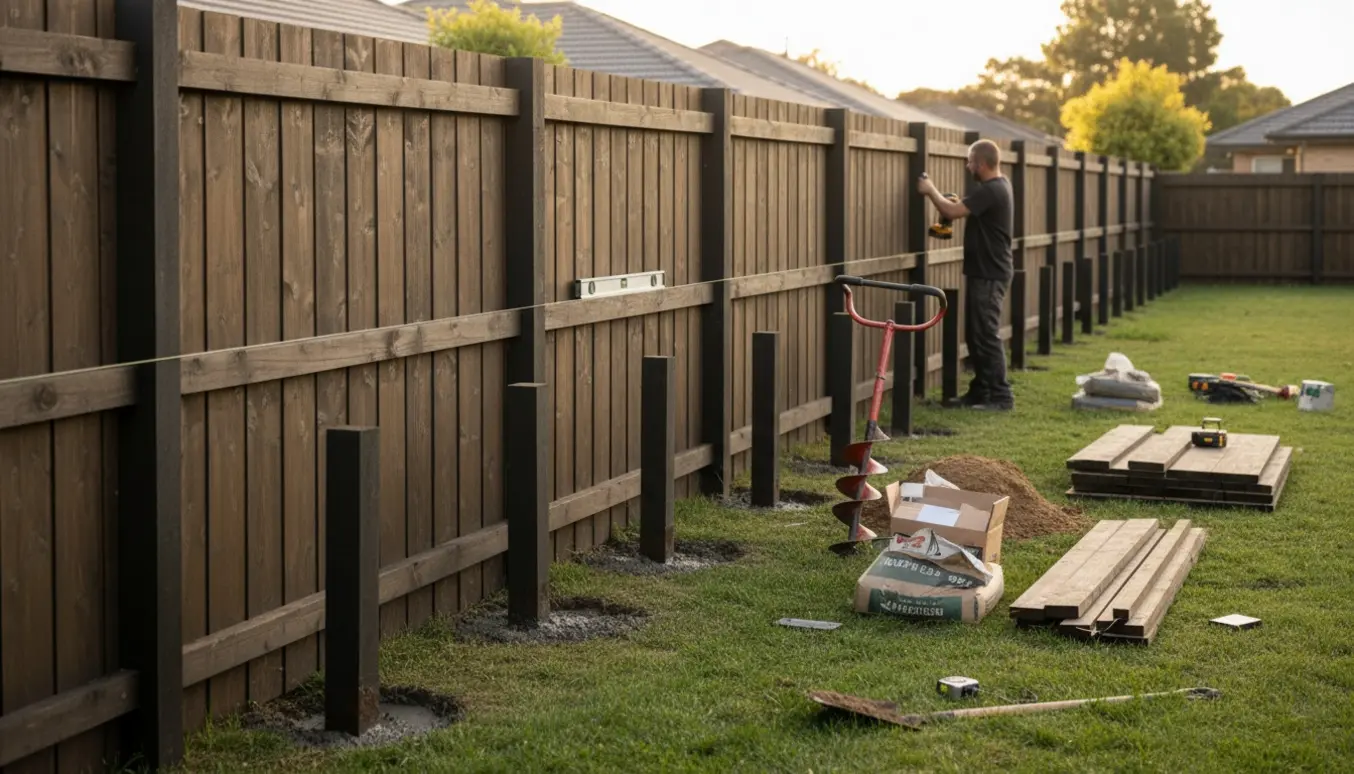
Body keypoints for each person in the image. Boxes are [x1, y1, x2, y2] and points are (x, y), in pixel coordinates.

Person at [916, 139, 1014, 410]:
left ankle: (1000, 396)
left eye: (970, 161)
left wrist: (929, 189)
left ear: (981, 164)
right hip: (986, 272)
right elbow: (964, 209)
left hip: (989, 274)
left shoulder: (992, 190)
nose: (967, 165)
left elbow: (950, 211)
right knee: (976, 334)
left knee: (986, 335)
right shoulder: (995, 187)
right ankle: (980, 392)